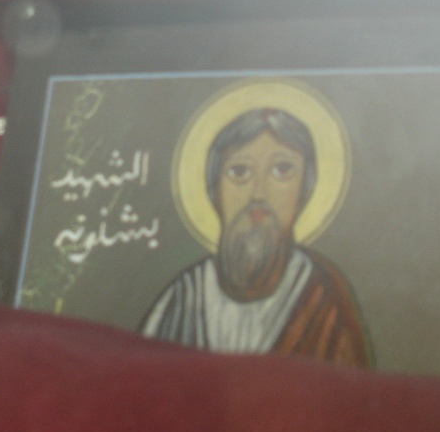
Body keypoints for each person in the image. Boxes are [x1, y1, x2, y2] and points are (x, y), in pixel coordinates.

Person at [141, 108, 370, 366]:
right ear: (214, 191)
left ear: (304, 190)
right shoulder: (180, 299)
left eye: (282, 170)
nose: (258, 194)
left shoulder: (324, 297)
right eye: (239, 172)